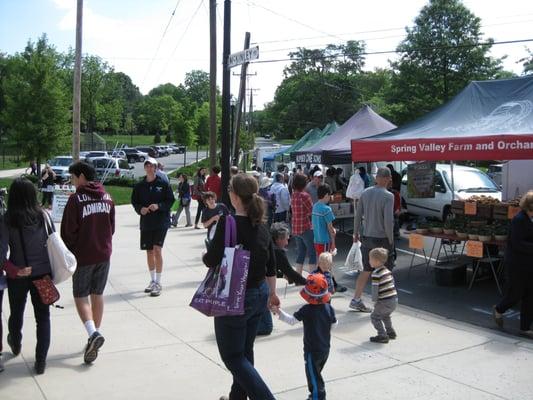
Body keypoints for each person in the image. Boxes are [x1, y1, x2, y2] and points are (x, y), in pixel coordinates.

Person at [203, 173, 279, 400]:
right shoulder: (263, 225)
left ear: (234, 197)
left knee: (233, 357)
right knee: (245, 352)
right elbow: (271, 266)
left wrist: (204, 256)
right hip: (259, 294)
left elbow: (212, 259)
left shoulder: (228, 222)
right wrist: (273, 294)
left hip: (234, 296)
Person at [61, 161, 115, 364]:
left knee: (81, 296)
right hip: (104, 254)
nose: (73, 182)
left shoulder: (76, 200)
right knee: (97, 294)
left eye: (73, 178)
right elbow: (111, 227)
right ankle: (95, 334)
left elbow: (68, 232)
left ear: (81, 176)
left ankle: (93, 334)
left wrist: (71, 250)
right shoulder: (107, 197)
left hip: (83, 256)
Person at [0, 178, 52, 375]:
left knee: (16, 313)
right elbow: (53, 243)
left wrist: (13, 269)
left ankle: (15, 341)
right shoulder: (44, 216)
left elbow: (1, 251)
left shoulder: (7, 219)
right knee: (43, 318)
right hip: (43, 274)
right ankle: (41, 362)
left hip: (19, 275)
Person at [273, 273, 337, 400]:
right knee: (316, 374)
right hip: (325, 349)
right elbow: (334, 324)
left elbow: (291, 320)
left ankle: (318, 397)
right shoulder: (329, 308)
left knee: (313, 376)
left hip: (312, 351)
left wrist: (278, 311)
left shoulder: (306, 310)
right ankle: (315, 395)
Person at [350, 167, 394, 313]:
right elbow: (388, 221)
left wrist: (355, 232)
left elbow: (358, 215)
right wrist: (391, 239)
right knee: (384, 271)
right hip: (382, 238)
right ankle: (382, 301)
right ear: (387, 179)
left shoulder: (365, 192)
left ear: (376, 178)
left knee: (366, 270)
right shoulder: (388, 196)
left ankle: (356, 299)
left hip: (367, 236)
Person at [131, 158, 175, 297]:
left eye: (152, 166)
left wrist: (159, 206)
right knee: (149, 251)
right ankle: (152, 280)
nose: (150, 168)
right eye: (147, 166)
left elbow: (170, 201)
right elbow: (134, 201)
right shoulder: (139, 186)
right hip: (146, 222)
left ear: (156, 168)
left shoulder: (163, 184)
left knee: (157, 250)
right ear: (145, 168)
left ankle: (158, 283)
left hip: (161, 222)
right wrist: (140, 209)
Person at [493, 191, 533, 338]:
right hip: (517, 263)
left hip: (529, 263)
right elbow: (518, 243)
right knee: (516, 294)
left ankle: (525, 328)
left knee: (530, 296)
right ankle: (499, 309)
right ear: (530, 205)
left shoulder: (530, 218)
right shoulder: (519, 219)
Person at [368, 248, 398, 343]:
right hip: (394, 299)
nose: (369, 261)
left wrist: (375, 301)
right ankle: (390, 332)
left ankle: (382, 335)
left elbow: (375, 289)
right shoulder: (387, 271)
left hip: (384, 301)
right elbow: (392, 283)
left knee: (375, 317)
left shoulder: (376, 274)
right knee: (385, 315)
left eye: (370, 259)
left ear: (376, 261)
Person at [291, 173, 317, 274]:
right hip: (306, 227)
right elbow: (312, 211)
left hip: (296, 228)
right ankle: (313, 278)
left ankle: (298, 277)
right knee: (312, 253)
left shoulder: (293, 195)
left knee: (301, 253)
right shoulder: (305, 196)